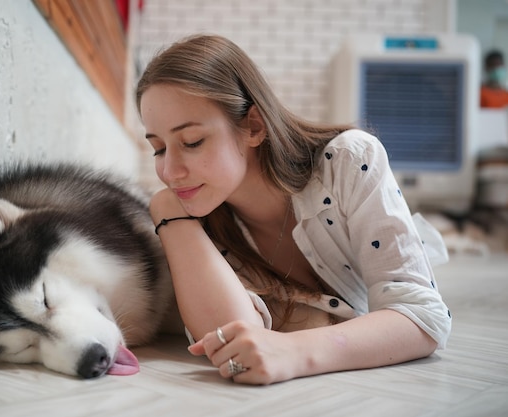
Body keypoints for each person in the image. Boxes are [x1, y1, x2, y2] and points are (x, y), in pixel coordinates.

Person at [136, 34, 451, 385]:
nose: (169, 172)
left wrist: (296, 352)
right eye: (159, 149)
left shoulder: (349, 160)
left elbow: (423, 317)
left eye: (192, 142)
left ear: (253, 126)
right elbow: (226, 340)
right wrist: (166, 208)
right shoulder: (198, 215)